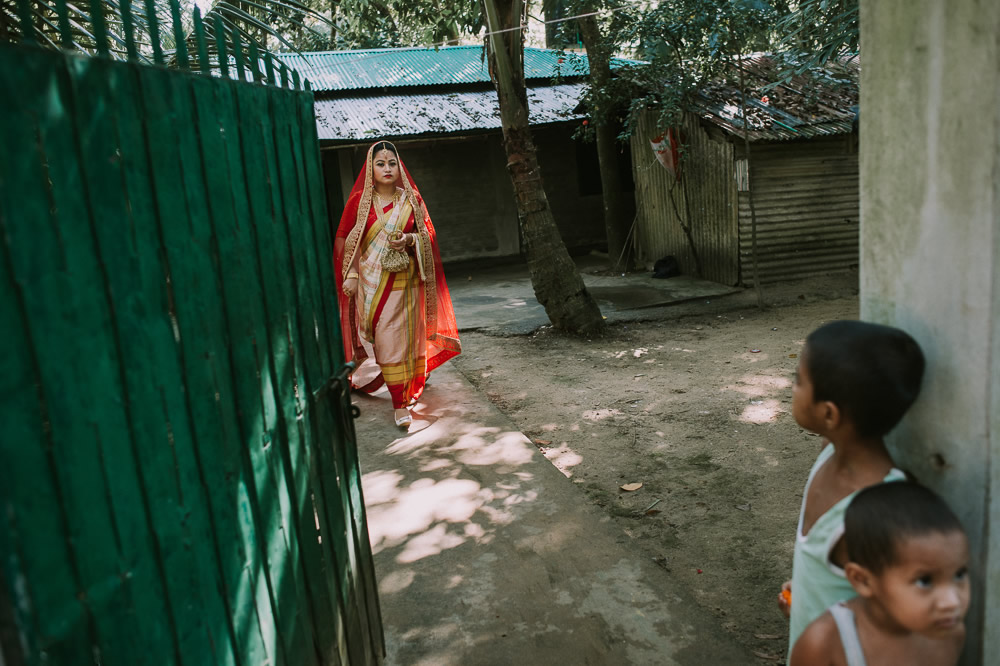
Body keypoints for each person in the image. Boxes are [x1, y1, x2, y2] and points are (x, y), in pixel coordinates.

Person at [777, 320, 925, 656]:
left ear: (829, 414)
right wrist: (806, 595)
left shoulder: (880, 511)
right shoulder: (828, 454)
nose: (792, 384)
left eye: (799, 379)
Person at [334, 141, 461, 427]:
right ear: (371, 169)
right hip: (371, 284)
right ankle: (400, 387)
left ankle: (399, 403)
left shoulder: (412, 199)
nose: (387, 168)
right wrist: (352, 274)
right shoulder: (358, 202)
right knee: (384, 342)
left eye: (392, 162)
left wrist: (409, 240)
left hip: (408, 285)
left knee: (403, 343)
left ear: (399, 165)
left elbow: (428, 235)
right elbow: (345, 240)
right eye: (381, 163)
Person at [789, 481, 970, 666]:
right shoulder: (825, 645)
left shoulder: (950, 635)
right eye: (924, 581)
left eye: (959, 574)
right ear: (863, 580)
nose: (952, 602)